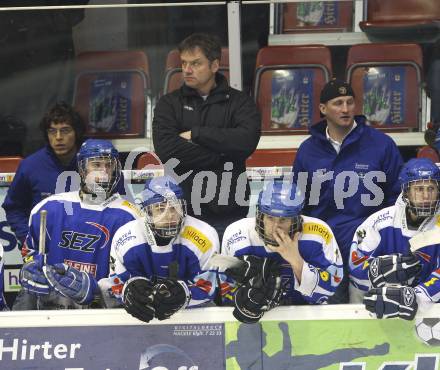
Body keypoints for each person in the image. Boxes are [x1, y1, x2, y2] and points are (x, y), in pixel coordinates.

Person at [292, 79, 403, 303]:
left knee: (373, 320)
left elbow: (398, 199)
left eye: (350, 102)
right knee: (327, 322)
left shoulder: (381, 144)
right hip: (324, 251)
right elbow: (299, 204)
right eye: (338, 103)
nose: (345, 109)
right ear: (323, 109)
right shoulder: (307, 151)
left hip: (371, 250)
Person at [152, 33, 261, 240]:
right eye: (183, 63)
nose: (187, 70)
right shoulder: (168, 104)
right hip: (180, 213)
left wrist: (196, 134)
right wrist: (221, 155)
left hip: (228, 211)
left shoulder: (240, 102)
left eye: (195, 63)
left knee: (226, 270)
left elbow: (246, 141)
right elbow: (167, 150)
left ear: (214, 65)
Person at [13, 139, 140, 310]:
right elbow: (31, 252)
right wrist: (30, 268)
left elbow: (134, 278)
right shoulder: (49, 208)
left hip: (101, 310)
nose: (103, 171)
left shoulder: (130, 216)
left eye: (108, 165)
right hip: (51, 307)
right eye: (96, 164)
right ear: (82, 168)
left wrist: (97, 290)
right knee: (27, 296)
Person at [219, 180, 343, 323]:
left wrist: (297, 261)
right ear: (260, 215)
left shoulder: (319, 233)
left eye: (283, 220)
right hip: (261, 322)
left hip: (307, 318)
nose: (275, 227)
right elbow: (225, 290)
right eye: (270, 218)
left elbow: (332, 288)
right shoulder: (237, 235)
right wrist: (245, 301)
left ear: (296, 219)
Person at [100, 175, 220, 323]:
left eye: (175, 208)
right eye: (160, 208)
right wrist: (128, 291)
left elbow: (208, 288)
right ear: (146, 211)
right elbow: (116, 285)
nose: (169, 215)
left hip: (190, 318)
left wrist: (185, 294)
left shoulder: (204, 236)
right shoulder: (125, 236)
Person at [349, 158, 440, 320]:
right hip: (378, 310)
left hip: (430, 311)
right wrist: (373, 271)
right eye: (419, 189)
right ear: (406, 192)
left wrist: (415, 297)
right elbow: (355, 269)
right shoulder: (378, 222)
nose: (426, 196)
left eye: (431, 189)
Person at [2, 102, 85, 245]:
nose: (58, 137)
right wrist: (28, 239)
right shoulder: (30, 166)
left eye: (65, 130)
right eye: (52, 131)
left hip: (85, 246)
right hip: (43, 248)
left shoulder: (92, 164)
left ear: (76, 132)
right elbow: (13, 207)